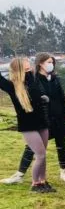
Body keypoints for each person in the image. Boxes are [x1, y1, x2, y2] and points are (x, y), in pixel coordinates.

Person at [0, 58, 53, 192]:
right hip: (27, 125)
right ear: (19, 67)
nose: (28, 63)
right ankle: (35, 184)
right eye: (25, 62)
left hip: (42, 122)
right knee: (40, 155)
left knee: (43, 155)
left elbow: (38, 93)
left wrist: (43, 99)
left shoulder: (33, 79)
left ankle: (42, 181)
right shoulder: (11, 86)